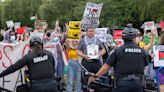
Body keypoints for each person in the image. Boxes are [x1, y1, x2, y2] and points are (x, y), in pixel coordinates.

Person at [89, 28, 149, 92]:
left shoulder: (117, 51)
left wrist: (95, 77)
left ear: (123, 38)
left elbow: (106, 67)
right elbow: (145, 66)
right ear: (134, 38)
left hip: (121, 83)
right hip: (138, 83)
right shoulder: (142, 51)